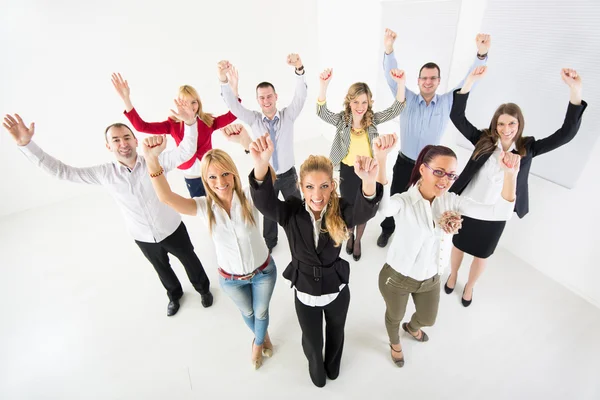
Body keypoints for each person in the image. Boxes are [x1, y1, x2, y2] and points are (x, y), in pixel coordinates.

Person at [2, 100, 213, 317]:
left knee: (190, 259)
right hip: (142, 236)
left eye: (126, 137)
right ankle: (174, 296)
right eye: (116, 140)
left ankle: (203, 289)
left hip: (172, 227)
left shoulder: (156, 160)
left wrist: (189, 123)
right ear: (108, 146)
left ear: (135, 141)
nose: (123, 143)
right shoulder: (104, 173)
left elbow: (186, 151)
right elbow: (61, 171)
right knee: (162, 269)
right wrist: (27, 145)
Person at [372, 132, 520, 367]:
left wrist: (510, 175)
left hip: (430, 279)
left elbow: (499, 213)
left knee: (428, 318)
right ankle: (395, 343)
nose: (445, 180)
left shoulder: (451, 201)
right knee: (394, 316)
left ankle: (412, 328)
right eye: (438, 172)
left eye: (451, 175)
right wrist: (381, 160)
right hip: (397, 277)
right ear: (422, 169)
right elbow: (383, 208)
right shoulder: (405, 201)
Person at [248, 134, 383, 387]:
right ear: (300, 186)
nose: (317, 194)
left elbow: (366, 210)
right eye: (310, 187)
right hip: (306, 293)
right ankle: (316, 368)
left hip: (337, 291)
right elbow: (264, 203)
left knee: (336, 334)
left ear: (332, 186)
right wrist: (261, 165)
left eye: (323, 186)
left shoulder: (341, 210)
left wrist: (368, 182)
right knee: (312, 341)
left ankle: (333, 365)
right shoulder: (291, 210)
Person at [445, 67, 587, 306]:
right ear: (495, 124)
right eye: (501, 123)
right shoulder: (483, 140)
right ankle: (453, 274)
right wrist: (470, 81)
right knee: (458, 244)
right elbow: (457, 116)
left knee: (482, 254)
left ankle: (470, 285)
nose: (506, 128)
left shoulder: (528, 148)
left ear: (519, 124)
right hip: (469, 204)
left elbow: (566, 134)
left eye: (512, 123)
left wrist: (575, 91)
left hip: (498, 211)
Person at [143, 125, 276, 369]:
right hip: (231, 280)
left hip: (263, 273)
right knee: (248, 314)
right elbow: (167, 198)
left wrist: (248, 143)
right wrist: (153, 161)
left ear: (233, 173)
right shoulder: (204, 207)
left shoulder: (248, 196)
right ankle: (263, 336)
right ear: (205, 180)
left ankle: (257, 344)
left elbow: (266, 178)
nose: (220, 182)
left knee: (261, 313)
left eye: (225, 174)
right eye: (212, 177)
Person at [377, 28, 492, 247]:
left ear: (438, 82)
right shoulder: (407, 99)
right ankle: (387, 229)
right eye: (424, 78)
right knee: (394, 199)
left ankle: (415, 236)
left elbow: (470, 81)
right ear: (418, 81)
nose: (428, 82)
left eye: (433, 78)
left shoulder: (448, 102)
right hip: (404, 163)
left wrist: (481, 55)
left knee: (425, 204)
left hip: (430, 167)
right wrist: (389, 49)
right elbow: (391, 78)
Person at [315, 67, 406, 261]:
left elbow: (396, 108)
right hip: (347, 172)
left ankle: (357, 241)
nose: (360, 106)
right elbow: (321, 112)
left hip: (368, 172)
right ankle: (350, 236)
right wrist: (324, 85)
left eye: (364, 102)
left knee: (364, 211)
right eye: (356, 101)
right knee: (349, 210)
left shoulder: (372, 120)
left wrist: (401, 84)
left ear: (369, 102)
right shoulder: (342, 120)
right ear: (349, 102)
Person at [218, 55, 307, 252]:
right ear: (258, 100)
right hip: (267, 176)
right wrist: (224, 80)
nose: (266, 100)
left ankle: (301, 236)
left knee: (297, 209)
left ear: (275, 97)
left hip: (289, 175)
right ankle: (270, 242)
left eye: (269, 96)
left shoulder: (287, 116)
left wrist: (299, 69)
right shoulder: (254, 120)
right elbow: (233, 106)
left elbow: (300, 97)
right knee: (269, 212)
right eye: (262, 97)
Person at [111, 73, 239, 197]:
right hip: (192, 178)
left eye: (193, 102)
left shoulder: (208, 121)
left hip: (211, 172)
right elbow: (141, 126)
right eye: (185, 102)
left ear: (198, 103)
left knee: (225, 204)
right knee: (205, 212)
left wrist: (234, 90)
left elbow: (234, 114)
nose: (190, 106)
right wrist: (126, 99)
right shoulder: (173, 124)